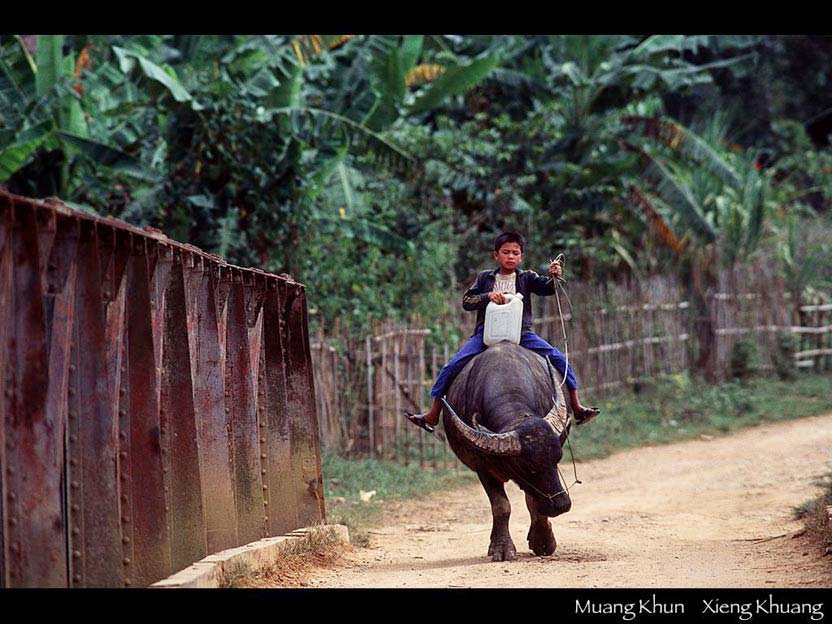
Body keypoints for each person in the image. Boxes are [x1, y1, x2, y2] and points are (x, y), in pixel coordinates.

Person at [405, 231, 600, 433]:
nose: (510, 256)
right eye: (506, 252)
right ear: (495, 255)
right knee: (452, 366)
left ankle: (577, 407)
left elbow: (547, 288)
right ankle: (433, 414)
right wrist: (487, 296)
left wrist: (555, 275)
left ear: (521, 257)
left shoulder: (527, 277)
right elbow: (467, 301)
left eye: (515, 253)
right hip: (486, 333)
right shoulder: (485, 278)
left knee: (559, 360)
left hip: (522, 333)